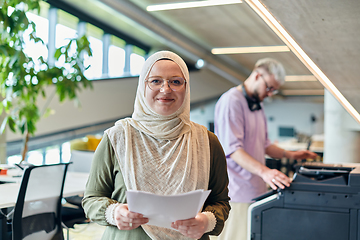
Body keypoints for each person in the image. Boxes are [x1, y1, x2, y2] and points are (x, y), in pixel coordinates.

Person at [82, 50, 230, 240]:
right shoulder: (117, 137)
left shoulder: (207, 141)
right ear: (143, 86)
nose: (166, 89)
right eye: (155, 81)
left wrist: (206, 221)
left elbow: (220, 201)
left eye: (176, 81)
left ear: (186, 87)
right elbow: (91, 199)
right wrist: (114, 212)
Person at [213, 58, 318, 240]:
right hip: (236, 192)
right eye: (269, 87)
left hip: (255, 189)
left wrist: (291, 155)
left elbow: (265, 144)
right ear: (257, 75)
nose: (270, 93)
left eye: (274, 90)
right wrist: (266, 172)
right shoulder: (232, 101)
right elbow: (233, 150)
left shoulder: (257, 105)